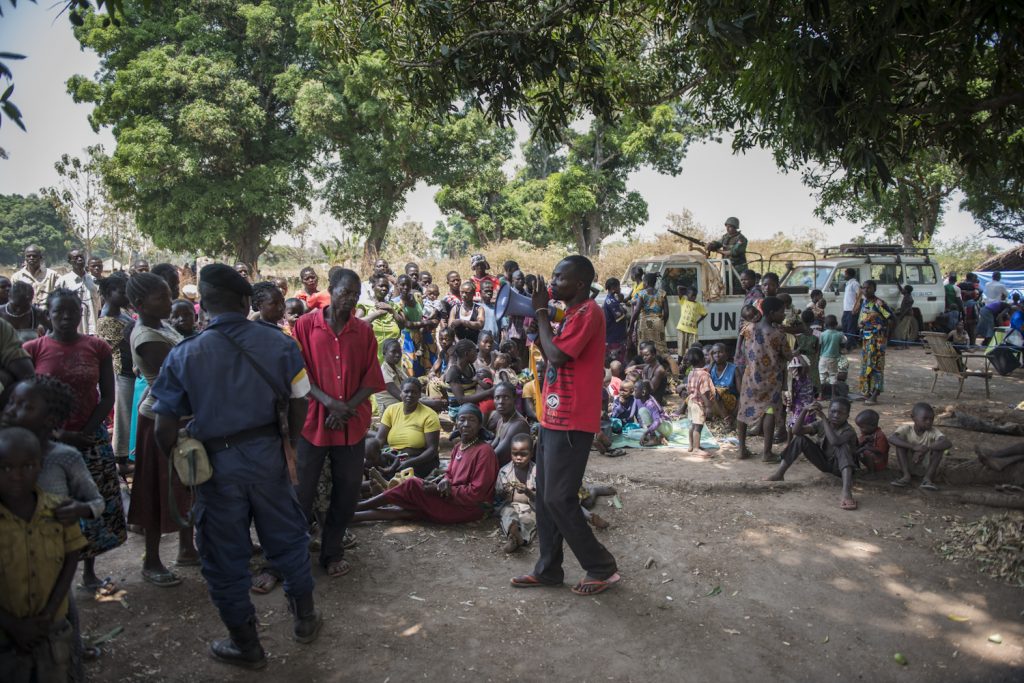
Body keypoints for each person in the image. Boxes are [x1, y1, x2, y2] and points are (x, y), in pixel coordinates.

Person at [150, 264, 321, 668]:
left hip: (215, 468)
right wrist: (290, 441)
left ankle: (246, 645)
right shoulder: (278, 343)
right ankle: (305, 620)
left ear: (203, 305)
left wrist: (180, 464)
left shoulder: (184, 353)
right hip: (267, 458)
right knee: (288, 539)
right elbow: (301, 400)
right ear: (247, 302)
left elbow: (163, 428)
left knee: (223, 557)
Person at [510, 255, 619, 596]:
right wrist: (540, 321)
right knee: (545, 497)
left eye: (560, 277)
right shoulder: (571, 314)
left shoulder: (589, 312)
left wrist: (541, 312)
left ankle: (601, 567)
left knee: (559, 497)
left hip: (572, 419)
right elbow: (549, 348)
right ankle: (549, 570)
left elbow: (557, 357)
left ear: (581, 284)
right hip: (555, 415)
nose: (553, 281)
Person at [25, 288, 128, 592]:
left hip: (90, 438)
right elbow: (25, 397)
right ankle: (54, 574)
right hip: (47, 441)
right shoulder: (33, 349)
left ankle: (90, 572)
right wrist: (56, 433)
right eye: (59, 312)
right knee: (51, 505)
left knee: (91, 503)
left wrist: (85, 432)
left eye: (71, 311)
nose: (66, 317)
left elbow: (108, 395)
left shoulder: (97, 347)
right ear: (48, 314)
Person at [293, 268, 385, 580]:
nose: (350, 300)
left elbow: (372, 378)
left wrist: (346, 407)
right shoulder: (306, 325)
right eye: (345, 293)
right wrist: (329, 402)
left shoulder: (363, 331)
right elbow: (298, 373)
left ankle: (332, 551)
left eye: (356, 295)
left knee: (346, 492)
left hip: (351, 423)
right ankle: (292, 552)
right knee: (302, 491)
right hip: (314, 422)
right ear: (331, 290)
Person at [123, 274, 197, 586]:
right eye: (162, 298)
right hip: (159, 420)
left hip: (178, 416)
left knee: (187, 483)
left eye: (170, 295)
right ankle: (152, 561)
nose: (170, 302)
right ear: (139, 305)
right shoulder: (147, 337)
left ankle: (186, 549)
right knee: (158, 488)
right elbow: (177, 379)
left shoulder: (161, 325)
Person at [0, 427, 87, 683]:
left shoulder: (60, 509)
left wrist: (49, 613)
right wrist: (13, 625)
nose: (16, 475)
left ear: (40, 467)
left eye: (27, 466)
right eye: (5, 468)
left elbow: (72, 557)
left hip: (52, 630)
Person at [353, 403, 498, 524]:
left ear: (480, 425)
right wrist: (444, 482)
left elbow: (477, 494)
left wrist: (440, 490)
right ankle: (354, 517)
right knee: (411, 511)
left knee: (412, 485)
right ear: (456, 423)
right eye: (462, 419)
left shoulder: (484, 451)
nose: (466, 424)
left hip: (470, 507)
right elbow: (449, 474)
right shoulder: (457, 447)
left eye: (472, 420)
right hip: (452, 499)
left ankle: (360, 506)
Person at [764, 399, 860, 510]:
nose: (836, 415)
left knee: (842, 447)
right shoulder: (822, 424)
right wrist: (804, 410)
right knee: (800, 439)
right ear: (828, 411)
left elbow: (835, 441)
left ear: (847, 416)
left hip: (841, 469)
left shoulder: (849, 431)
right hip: (825, 463)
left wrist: (824, 418)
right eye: (833, 411)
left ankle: (846, 492)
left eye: (840, 413)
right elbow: (796, 431)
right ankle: (779, 474)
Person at [737, 297, 792, 461]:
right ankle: (767, 453)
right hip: (771, 379)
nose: (784, 315)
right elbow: (787, 355)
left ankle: (741, 450)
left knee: (743, 410)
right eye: (782, 312)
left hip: (751, 377)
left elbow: (742, 348)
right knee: (770, 411)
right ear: (772, 313)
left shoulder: (748, 328)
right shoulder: (778, 334)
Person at [95, 273, 136, 476]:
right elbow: (124, 345)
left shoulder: (120, 312)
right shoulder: (107, 319)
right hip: (122, 371)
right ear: (108, 294)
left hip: (130, 370)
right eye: (122, 292)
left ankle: (126, 454)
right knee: (123, 414)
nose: (126, 295)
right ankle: (120, 458)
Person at [365, 378, 441, 479]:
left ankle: (386, 485)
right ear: (401, 393)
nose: (409, 395)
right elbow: (380, 439)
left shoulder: (429, 415)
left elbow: (432, 450)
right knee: (366, 465)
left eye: (414, 392)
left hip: (419, 459)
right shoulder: (391, 410)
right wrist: (372, 452)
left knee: (399, 473)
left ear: (419, 395)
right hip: (393, 455)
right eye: (406, 391)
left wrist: (408, 462)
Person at [889, 402, 952, 491]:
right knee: (900, 445)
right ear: (913, 418)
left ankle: (927, 479)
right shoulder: (906, 429)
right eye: (925, 419)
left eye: (931, 419)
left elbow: (947, 443)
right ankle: (906, 476)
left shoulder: (933, 431)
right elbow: (892, 438)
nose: (929, 422)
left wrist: (926, 449)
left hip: (925, 467)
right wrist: (913, 447)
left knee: (939, 449)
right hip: (908, 465)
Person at [495, 433, 537, 553]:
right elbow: (498, 495)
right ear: (510, 453)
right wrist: (504, 492)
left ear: (531, 454)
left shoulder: (537, 472)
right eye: (515, 454)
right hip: (510, 505)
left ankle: (517, 539)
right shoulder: (504, 471)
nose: (518, 457)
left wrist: (528, 492)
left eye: (523, 454)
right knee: (508, 515)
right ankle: (513, 533)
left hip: (530, 508)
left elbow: (542, 498)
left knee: (528, 521)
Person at [856, 280, 893, 405]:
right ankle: (868, 391)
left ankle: (876, 393)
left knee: (877, 366)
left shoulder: (879, 304)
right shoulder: (864, 302)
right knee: (866, 365)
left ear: (874, 289)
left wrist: (883, 331)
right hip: (866, 339)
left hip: (877, 339)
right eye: (864, 288)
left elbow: (891, 319)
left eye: (868, 288)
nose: (865, 290)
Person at [393, 274, 437, 376]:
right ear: (398, 286)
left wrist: (429, 322)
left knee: (430, 364)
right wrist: (426, 323)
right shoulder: (396, 303)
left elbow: (422, 314)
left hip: (424, 335)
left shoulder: (417, 297)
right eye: (402, 285)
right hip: (408, 338)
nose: (405, 287)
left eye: (408, 284)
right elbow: (407, 324)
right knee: (411, 367)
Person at [356, 273, 403, 362]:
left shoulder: (393, 305)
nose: (384, 288)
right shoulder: (366, 305)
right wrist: (378, 313)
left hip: (392, 356)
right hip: (371, 355)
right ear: (373, 287)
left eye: (386, 286)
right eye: (381, 286)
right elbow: (356, 323)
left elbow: (402, 325)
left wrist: (391, 310)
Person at [55, 249, 99, 335]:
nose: (79, 259)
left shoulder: (93, 281)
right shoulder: (63, 281)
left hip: (93, 330)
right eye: (76, 258)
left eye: (81, 257)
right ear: (69, 261)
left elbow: (98, 306)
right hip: (72, 331)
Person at [486, 381, 530, 467]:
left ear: (514, 398)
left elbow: (496, 455)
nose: (501, 402)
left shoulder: (519, 425)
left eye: (506, 397)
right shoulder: (501, 420)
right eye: (497, 397)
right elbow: (492, 446)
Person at [683, 348, 716, 456]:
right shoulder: (704, 375)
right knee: (698, 426)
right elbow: (704, 391)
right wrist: (708, 406)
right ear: (702, 360)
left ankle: (691, 445)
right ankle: (696, 449)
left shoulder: (691, 373)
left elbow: (689, 389)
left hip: (691, 402)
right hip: (699, 403)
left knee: (692, 425)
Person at [631, 272, 669, 357]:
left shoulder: (641, 294)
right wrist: (663, 324)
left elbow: (636, 311)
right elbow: (666, 312)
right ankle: (663, 365)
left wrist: (631, 326)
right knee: (660, 348)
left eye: (643, 282)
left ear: (646, 283)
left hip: (644, 323)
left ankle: (644, 366)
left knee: (644, 346)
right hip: (658, 322)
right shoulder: (662, 293)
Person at [12, 245, 59, 310]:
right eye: (28, 256)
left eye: (34, 256)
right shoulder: (17, 277)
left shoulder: (52, 275)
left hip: (46, 314)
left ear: (41, 257)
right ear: (25, 258)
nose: (31, 258)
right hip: (26, 314)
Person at [706, 217, 748, 288]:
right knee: (727, 287)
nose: (727, 228)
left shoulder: (741, 239)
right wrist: (712, 245)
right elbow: (718, 243)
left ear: (735, 227)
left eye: (730, 227)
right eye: (727, 226)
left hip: (739, 269)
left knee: (738, 288)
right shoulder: (725, 237)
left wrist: (719, 251)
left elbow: (734, 252)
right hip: (727, 267)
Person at [601, 277, 628, 364]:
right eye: (618, 286)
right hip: (615, 336)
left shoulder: (611, 300)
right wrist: (624, 311)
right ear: (613, 288)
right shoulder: (612, 302)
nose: (620, 288)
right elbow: (621, 317)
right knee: (616, 361)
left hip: (612, 334)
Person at [854, 409, 890, 473]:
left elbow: (880, 451)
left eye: (862, 427)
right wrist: (864, 440)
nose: (860, 429)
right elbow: (859, 443)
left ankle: (872, 473)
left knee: (865, 452)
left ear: (872, 426)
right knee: (856, 450)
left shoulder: (880, 435)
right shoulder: (866, 433)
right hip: (872, 459)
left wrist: (865, 448)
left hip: (880, 461)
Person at [708, 343, 738, 417]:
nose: (717, 355)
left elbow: (741, 394)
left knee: (716, 391)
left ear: (726, 354)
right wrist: (711, 362)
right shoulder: (711, 368)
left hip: (729, 402)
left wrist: (735, 413)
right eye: (714, 353)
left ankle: (726, 418)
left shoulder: (734, 369)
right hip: (715, 399)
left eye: (720, 352)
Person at [676, 286, 707, 351]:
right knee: (681, 349)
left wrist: (698, 322)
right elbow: (679, 288)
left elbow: (705, 314)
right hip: (682, 328)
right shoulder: (683, 301)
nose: (694, 297)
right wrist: (686, 289)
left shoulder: (698, 304)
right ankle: (679, 361)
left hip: (692, 330)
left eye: (695, 295)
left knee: (693, 348)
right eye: (692, 295)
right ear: (687, 295)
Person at [818, 315, 845, 386]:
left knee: (822, 376)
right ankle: (833, 395)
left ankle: (820, 394)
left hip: (823, 358)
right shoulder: (840, 334)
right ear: (836, 324)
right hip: (834, 358)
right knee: (833, 376)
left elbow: (819, 346)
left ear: (825, 325)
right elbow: (843, 343)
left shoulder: (822, 334)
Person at [841, 268, 861, 343]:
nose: (844, 276)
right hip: (846, 309)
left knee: (850, 328)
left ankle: (850, 345)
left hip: (852, 310)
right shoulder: (848, 283)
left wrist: (855, 309)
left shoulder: (855, 283)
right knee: (845, 327)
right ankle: (847, 343)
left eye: (845, 274)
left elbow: (859, 296)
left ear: (849, 275)